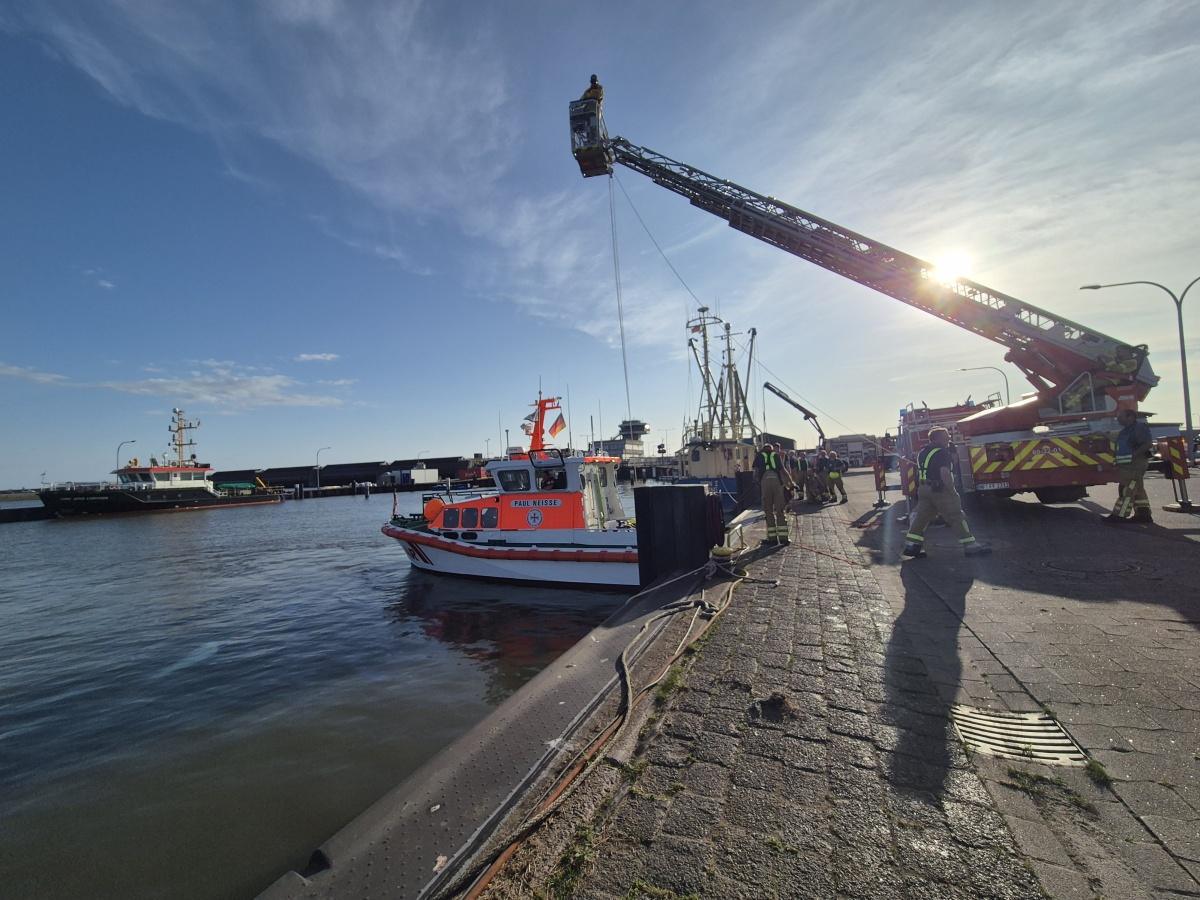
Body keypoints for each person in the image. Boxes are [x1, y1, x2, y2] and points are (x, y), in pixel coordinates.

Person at [902, 427, 990, 558]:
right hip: (939, 490)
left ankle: (912, 546)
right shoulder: (943, 453)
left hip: (924, 489)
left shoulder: (923, 452)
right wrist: (952, 489)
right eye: (946, 436)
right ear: (938, 439)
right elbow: (944, 472)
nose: (949, 438)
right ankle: (970, 546)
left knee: (921, 518)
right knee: (956, 515)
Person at [1106, 408, 1154, 524]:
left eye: (1120, 417)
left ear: (1130, 417)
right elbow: (1116, 438)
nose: (1118, 420)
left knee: (1127, 490)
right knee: (1138, 489)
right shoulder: (1125, 431)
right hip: (1127, 466)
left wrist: (1133, 455)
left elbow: (1147, 444)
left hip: (1135, 465)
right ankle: (1144, 514)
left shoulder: (1139, 428)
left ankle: (1119, 516)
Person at [753, 442, 795, 545]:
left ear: (763, 449)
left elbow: (755, 471)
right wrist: (791, 483)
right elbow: (783, 470)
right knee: (780, 510)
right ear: (771, 449)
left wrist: (756, 482)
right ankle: (784, 538)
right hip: (777, 482)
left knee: (768, 511)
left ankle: (772, 539)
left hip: (765, 481)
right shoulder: (776, 455)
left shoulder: (759, 455)